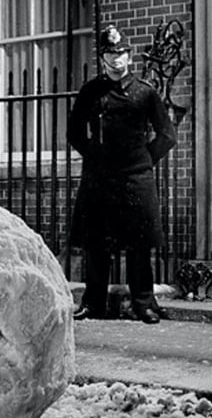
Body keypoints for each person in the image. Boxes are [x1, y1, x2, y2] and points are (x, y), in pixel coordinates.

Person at [68, 24, 177, 324]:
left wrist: (143, 160)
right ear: (102, 58)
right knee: (97, 244)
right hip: (100, 178)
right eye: (110, 54)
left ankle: (143, 303)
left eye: (121, 53)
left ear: (129, 56)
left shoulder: (145, 92)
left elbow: (167, 135)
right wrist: (95, 156)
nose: (116, 60)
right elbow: (75, 133)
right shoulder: (91, 92)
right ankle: (94, 303)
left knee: (139, 244)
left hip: (135, 178)